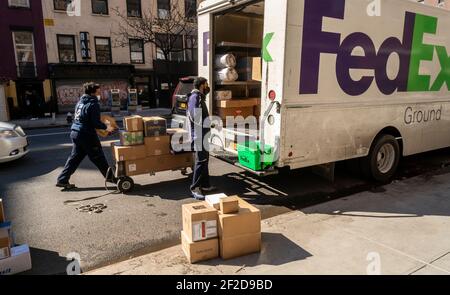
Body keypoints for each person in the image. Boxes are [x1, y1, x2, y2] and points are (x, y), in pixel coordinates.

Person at [56, 82, 116, 190]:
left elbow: (82, 118)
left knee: (74, 158)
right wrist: (107, 127)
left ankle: (62, 179)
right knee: (98, 157)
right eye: (98, 91)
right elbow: (95, 123)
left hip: (76, 132)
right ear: (93, 92)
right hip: (86, 135)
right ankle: (111, 178)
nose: (100, 93)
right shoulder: (93, 104)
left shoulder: (80, 102)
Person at [187, 77, 217, 200]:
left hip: (202, 134)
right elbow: (195, 116)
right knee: (200, 162)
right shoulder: (196, 97)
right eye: (206, 84)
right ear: (201, 85)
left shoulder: (199, 97)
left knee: (204, 161)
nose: (208, 86)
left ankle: (205, 185)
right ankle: (195, 188)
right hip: (199, 136)